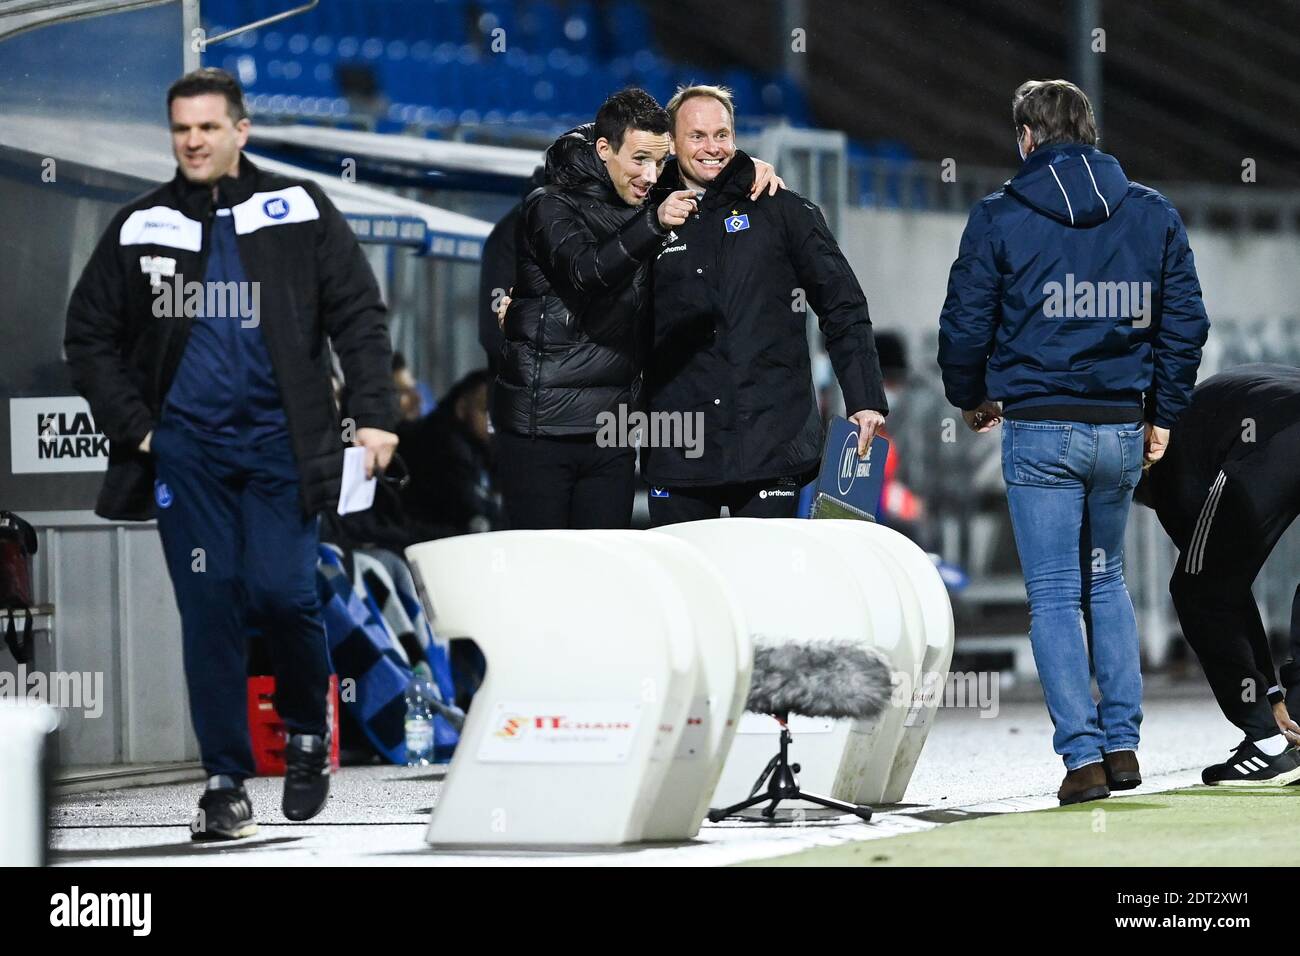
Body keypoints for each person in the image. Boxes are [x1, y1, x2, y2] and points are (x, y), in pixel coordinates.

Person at [63, 68, 398, 840]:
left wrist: (376, 416)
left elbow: (358, 314)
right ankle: (224, 780)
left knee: (284, 594)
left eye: (208, 127)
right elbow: (87, 335)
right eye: (182, 128)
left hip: (285, 446)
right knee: (210, 607)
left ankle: (307, 736)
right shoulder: (142, 224)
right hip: (191, 457)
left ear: (240, 130)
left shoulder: (299, 207)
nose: (193, 140)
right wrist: (141, 430)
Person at [937, 79, 1209, 806]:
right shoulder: (1150, 212)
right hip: (1119, 427)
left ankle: (1083, 759)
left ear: (1026, 137)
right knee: (1107, 580)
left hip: (1041, 429)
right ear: (1089, 132)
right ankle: (1123, 747)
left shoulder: (998, 215)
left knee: (1055, 594)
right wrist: (1164, 412)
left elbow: (965, 321)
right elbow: (1186, 320)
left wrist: (969, 395)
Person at [492, 87, 779, 529]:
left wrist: (744, 170)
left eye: (660, 161)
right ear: (604, 149)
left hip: (614, 431)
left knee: (605, 577)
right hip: (543, 428)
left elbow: (700, 169)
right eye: (640, 159)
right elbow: (585, 273)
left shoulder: (642, 197)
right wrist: (653, 223)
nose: (651, 174)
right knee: (541, 576)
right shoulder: (549, 204)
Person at [643, 85, 888, 524]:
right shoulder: (644, 218)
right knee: (680, 590)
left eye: (722, 134)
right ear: (672, 143)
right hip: (677, 446)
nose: (712, 147)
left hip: (772, 445)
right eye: (697, 136)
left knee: (764, 587)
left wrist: (864, 398)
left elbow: (842, 303)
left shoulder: (781, 209)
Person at [1133, 363, 1300, 785]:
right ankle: (1292, 725)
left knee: (1196, 590)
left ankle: (1267, 743)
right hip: (1281, 420)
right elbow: (1231, 585)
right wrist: (1274, 695)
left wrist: (1264, 706)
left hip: (1274, 438)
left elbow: (1215, 592)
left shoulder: (1166, 468)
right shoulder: (1200, 411)